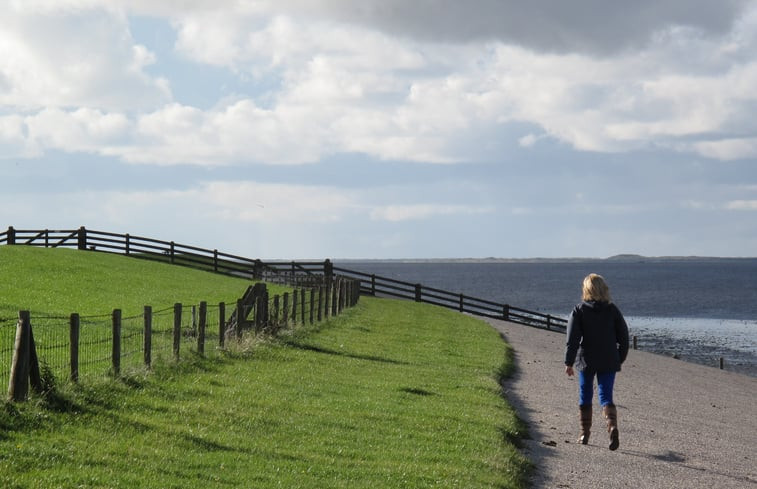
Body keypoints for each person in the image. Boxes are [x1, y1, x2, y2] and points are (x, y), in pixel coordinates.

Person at [564, 273, 629, 451]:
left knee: (585, 395)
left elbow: (573, 339)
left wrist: (568, 362)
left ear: (586, 290)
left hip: (587, 359)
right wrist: (619, 358)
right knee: (606, 396)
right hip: (608, 358)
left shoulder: (579, 310)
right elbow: (624, 336)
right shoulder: (612, 310)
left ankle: (584, 433)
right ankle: (612, 427)